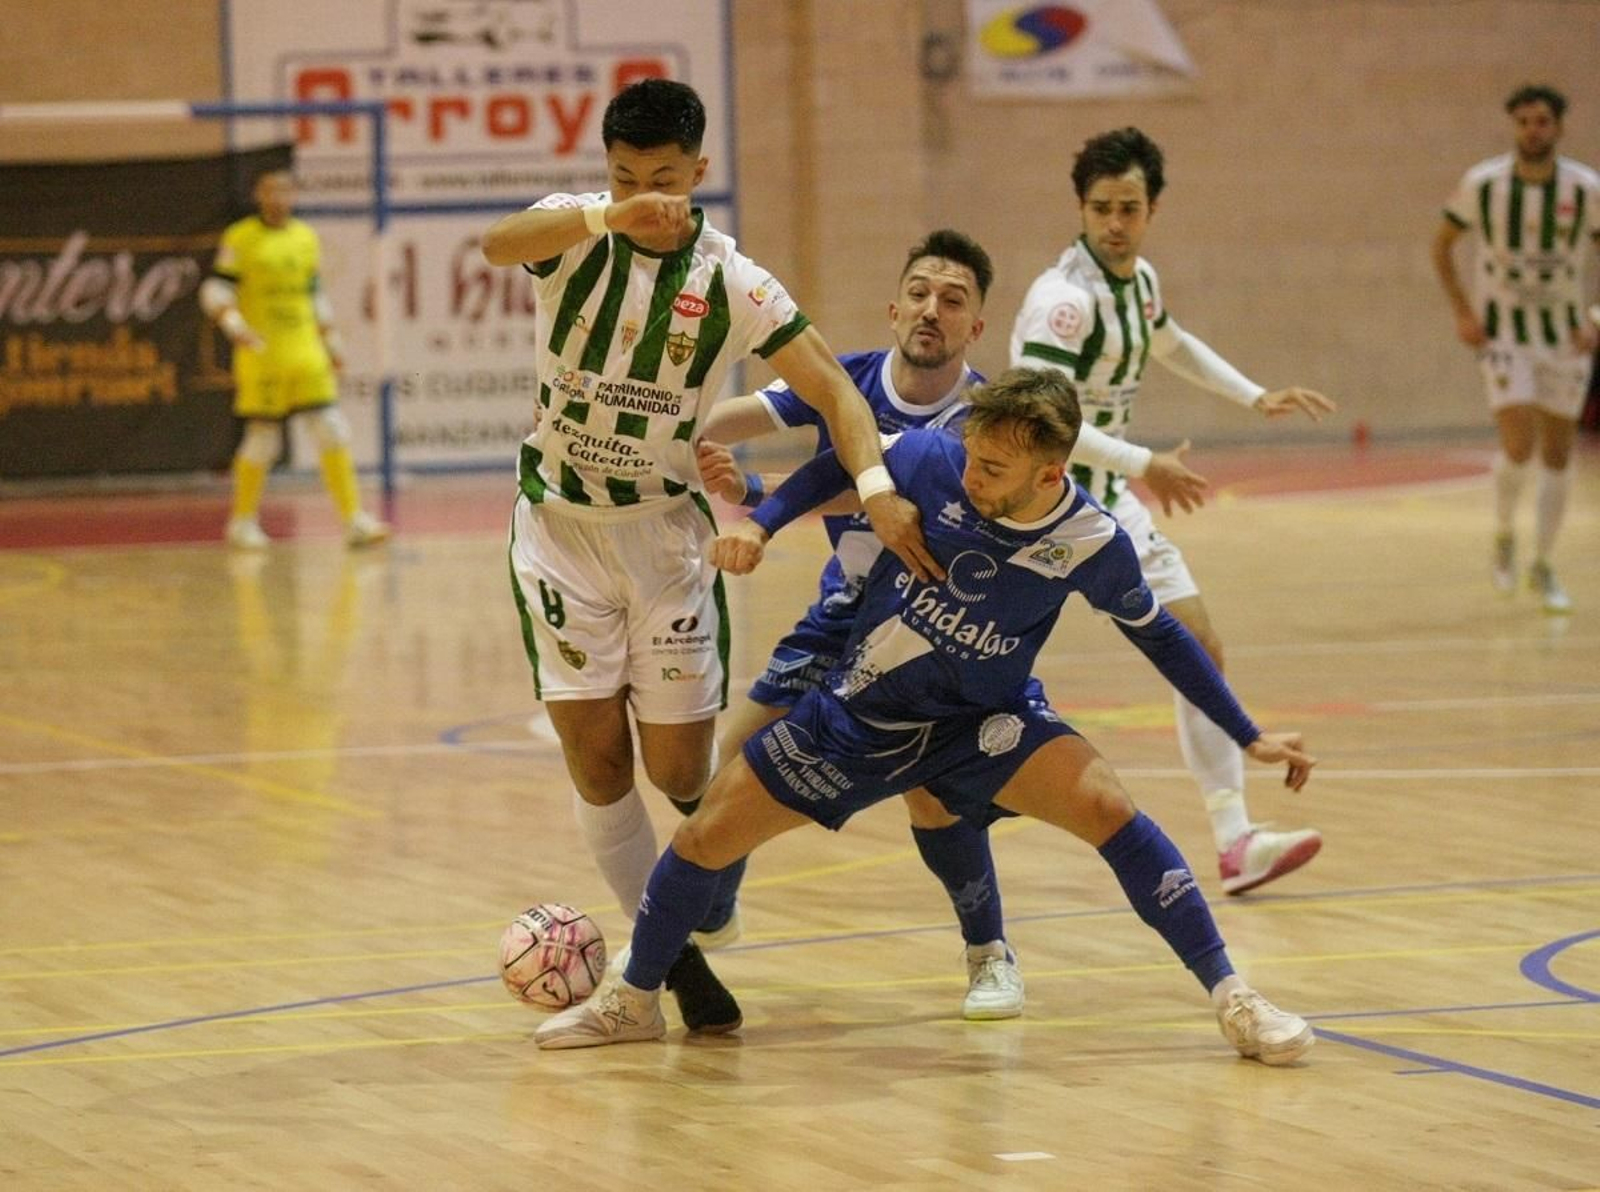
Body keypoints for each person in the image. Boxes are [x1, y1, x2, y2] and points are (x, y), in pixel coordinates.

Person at [534, 367, 1317, 1067]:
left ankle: (1235, 998)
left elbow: (1162, 636)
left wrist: (1247, 733)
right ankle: (634, 1002)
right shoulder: (930, 458)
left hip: (982, 724)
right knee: (703, 837)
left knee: (1109, 807)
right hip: (859, 713)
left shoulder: (1091, 541)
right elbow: (839, 464)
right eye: (972, 456)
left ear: (1050, 473)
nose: (972, 474)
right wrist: (759, 523)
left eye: (994, 469)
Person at [479, 78, 935, 1038]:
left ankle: (709, 868)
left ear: (699, 171)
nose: (643, 195)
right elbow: (497, 244)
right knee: (599, 761)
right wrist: (606, 212)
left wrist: (877, 486)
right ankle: (671, 971)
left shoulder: (733, 280)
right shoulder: (577, 230)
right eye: (624, 175)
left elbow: (836, 392)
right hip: (558, 533)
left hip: (662, 539)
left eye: (662, 177)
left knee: (681, 765)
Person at [696, 228, 1028, 1019]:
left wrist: (758, 493)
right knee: (735, 754)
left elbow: (874, 486)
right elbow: (734, 417)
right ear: (893, 309)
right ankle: (716, 903)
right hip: (843, 612)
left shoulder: (981, 417)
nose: (932, 309)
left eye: (953, 300)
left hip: (929, 624)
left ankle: (990, 955)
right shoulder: (848, 379)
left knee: (931, 796)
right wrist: (663, 425)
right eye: (919, 293)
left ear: (976, 326)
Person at [1010, 127, 1335, 896]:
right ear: (1080, 208)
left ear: (1151, 209)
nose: (1114, 223)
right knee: (978, 671)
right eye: (1101, 208)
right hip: (1037, 504)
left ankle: (1236, 841)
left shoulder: (1139, 282)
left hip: (1109, 499)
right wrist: (1144, 461)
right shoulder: (1062, 302)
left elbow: (1172, 341)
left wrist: (1254, 395)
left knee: (1199, 648)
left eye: (1129, 208)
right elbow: (1034, 419)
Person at [1432, 84, 1600, 614]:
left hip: (1565, 337)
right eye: (1524, 121)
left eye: (1542, 121)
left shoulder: (1585, 189)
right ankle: (1504, 533)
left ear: (1559, 127)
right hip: (1505, 334)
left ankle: (1543, 563)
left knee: (1558, 452)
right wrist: (1463, 311)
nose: (1533, 130)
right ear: (1514, 127)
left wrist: (1595, 318)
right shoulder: (1484, 185)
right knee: (1519, 443)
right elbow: (1442, 245)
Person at [201, 169, 390, 550]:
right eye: (270, 191)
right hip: (263, 353)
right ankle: (242, 522)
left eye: (285, 191)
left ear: (295, 195)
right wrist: (234, 325)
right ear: (259, 194)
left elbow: (314, 292)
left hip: (306, 352)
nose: (278, 198)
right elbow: (215, 288)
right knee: (262, 440)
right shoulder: (241, 237)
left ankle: (354, 520)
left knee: (332, 429)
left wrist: (331, 341)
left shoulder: (305, 237)